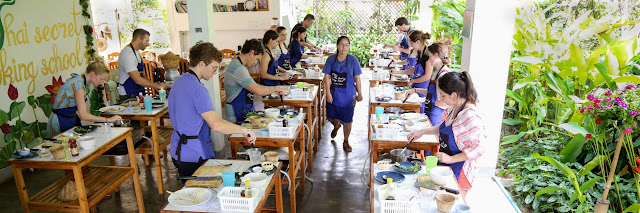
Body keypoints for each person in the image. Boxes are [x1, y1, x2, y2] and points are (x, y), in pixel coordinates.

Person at [169, 41, 256, 179]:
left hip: (177, 151)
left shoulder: (179, 82)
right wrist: (244, 130)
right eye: (214, 68)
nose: (215, 73)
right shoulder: (198, 89)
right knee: (205, 191)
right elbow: (215, 124)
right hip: (194, 153)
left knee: (191, 191)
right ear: (202, 64)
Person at [407, 71, 486, 199]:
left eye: (443, 95)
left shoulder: (471, 116)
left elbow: (479, 148)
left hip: (462, 169)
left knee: (452, 202)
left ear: (454, 95)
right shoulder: (455, 106)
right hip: (448, 165)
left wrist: (451, 159)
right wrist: (422, 132)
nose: (440, 99)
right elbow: (444, 127)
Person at [46, 57, 123, 137]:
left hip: (69, 118)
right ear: (93, 74)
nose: (101, 83)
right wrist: (108, 120)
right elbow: (83, 115)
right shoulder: (78, 85)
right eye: (101, 79)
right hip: (60, 121)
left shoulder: (82, 82)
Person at [225, 39, 286, 123]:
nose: (255, 63)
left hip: (243, 108)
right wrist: (275, 89)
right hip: (235, 112)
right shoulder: (238, 68)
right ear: (251, 53)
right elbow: (258, 90)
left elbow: (254, 86)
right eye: (257, 59)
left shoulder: (240, 65)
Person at [323, 36, 363, 152]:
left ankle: (346, 141)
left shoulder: (353, 60)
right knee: (331, 116)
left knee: (348, 119)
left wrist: (360, 93)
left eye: (346, 45)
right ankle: (336, 125)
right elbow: (327, 76)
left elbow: (357, 78)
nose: (344, 47)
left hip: (348, 96)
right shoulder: (331, 59)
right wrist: (328, 93)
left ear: (349, 46)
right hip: (334, 93)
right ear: (337, 46)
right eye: (341, 44)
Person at [405, 42, 450, 125]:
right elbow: (430, 91)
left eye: (430, 56)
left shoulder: (444, 74)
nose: (429, 60)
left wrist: (434, 104)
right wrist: (415, 90)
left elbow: (449, 100)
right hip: (430, 111)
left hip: (437, 114)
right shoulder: (436, 72)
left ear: (436, 55)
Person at [117, 29, 167, 99]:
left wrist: (154, 85)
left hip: (138, 90)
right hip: (127, 93)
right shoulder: (128, 55)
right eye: (147, 41)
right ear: (139, 39)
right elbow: (137, 79)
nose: (148, 44)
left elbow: (141, 74)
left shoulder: (137, 52)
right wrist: (156, 86)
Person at [392, 30, 432, 113]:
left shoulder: (427, 55)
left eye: (411, 43)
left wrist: (413, 80)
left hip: (423, 88)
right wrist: (397, 72)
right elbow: (414, 70)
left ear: (417, 42)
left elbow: (427, 76)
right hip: (416, 86)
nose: (411, 46)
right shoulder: (419, 52)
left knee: (420, 111)